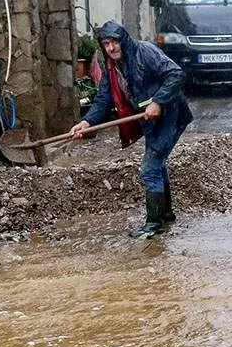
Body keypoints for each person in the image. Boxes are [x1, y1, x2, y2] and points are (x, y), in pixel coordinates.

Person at [70, 20, 193, 238]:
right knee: (157, 163)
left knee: (150, 168)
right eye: (106, 44)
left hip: (170, 115)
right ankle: (165, 214)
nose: (111, 48)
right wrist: (86, 123)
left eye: (114, 42)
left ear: (123, 40)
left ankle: (153, 225)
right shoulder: (111, 66)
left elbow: (176, 74)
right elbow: (103, 99)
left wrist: (158, 101)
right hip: (150, 121)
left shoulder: (145, 53)